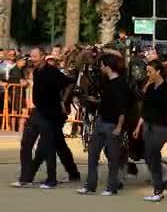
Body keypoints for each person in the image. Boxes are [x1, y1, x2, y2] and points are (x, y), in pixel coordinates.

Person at [12, 48, 77, 189]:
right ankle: (25, 178)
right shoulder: (36, 72)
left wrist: (63, 100)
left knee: (48, 146)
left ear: (43, 57)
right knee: (26, 143)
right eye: (31, 57)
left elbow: (70, 82)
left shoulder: (52, 71)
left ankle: (51, 180)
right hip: (37, 112)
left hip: (50, 114)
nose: (32, 59)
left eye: (35, 56)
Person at [77, 54, 129, 196]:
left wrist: (119, 126)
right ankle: (90, 186)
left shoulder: (121, 84)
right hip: (101, 122)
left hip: (112, 125)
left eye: (101, 65)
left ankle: (111, 188)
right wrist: (95, 101)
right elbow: (109, 102)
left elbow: (123, 107)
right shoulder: (107, 83)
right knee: (92, 153)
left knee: (113, 158)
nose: (100, 68)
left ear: (107, 66)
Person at [133, 59, 167, 202]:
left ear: (158, 71)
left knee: (152, 154)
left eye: (150, 71)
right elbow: (144, 111)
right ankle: (159, 184)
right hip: (148, 126)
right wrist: (138, 127)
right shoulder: (150, 88)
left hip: (161, 127)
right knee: (149, 155)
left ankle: (158, 188)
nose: (148, 74)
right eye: (147, 71)